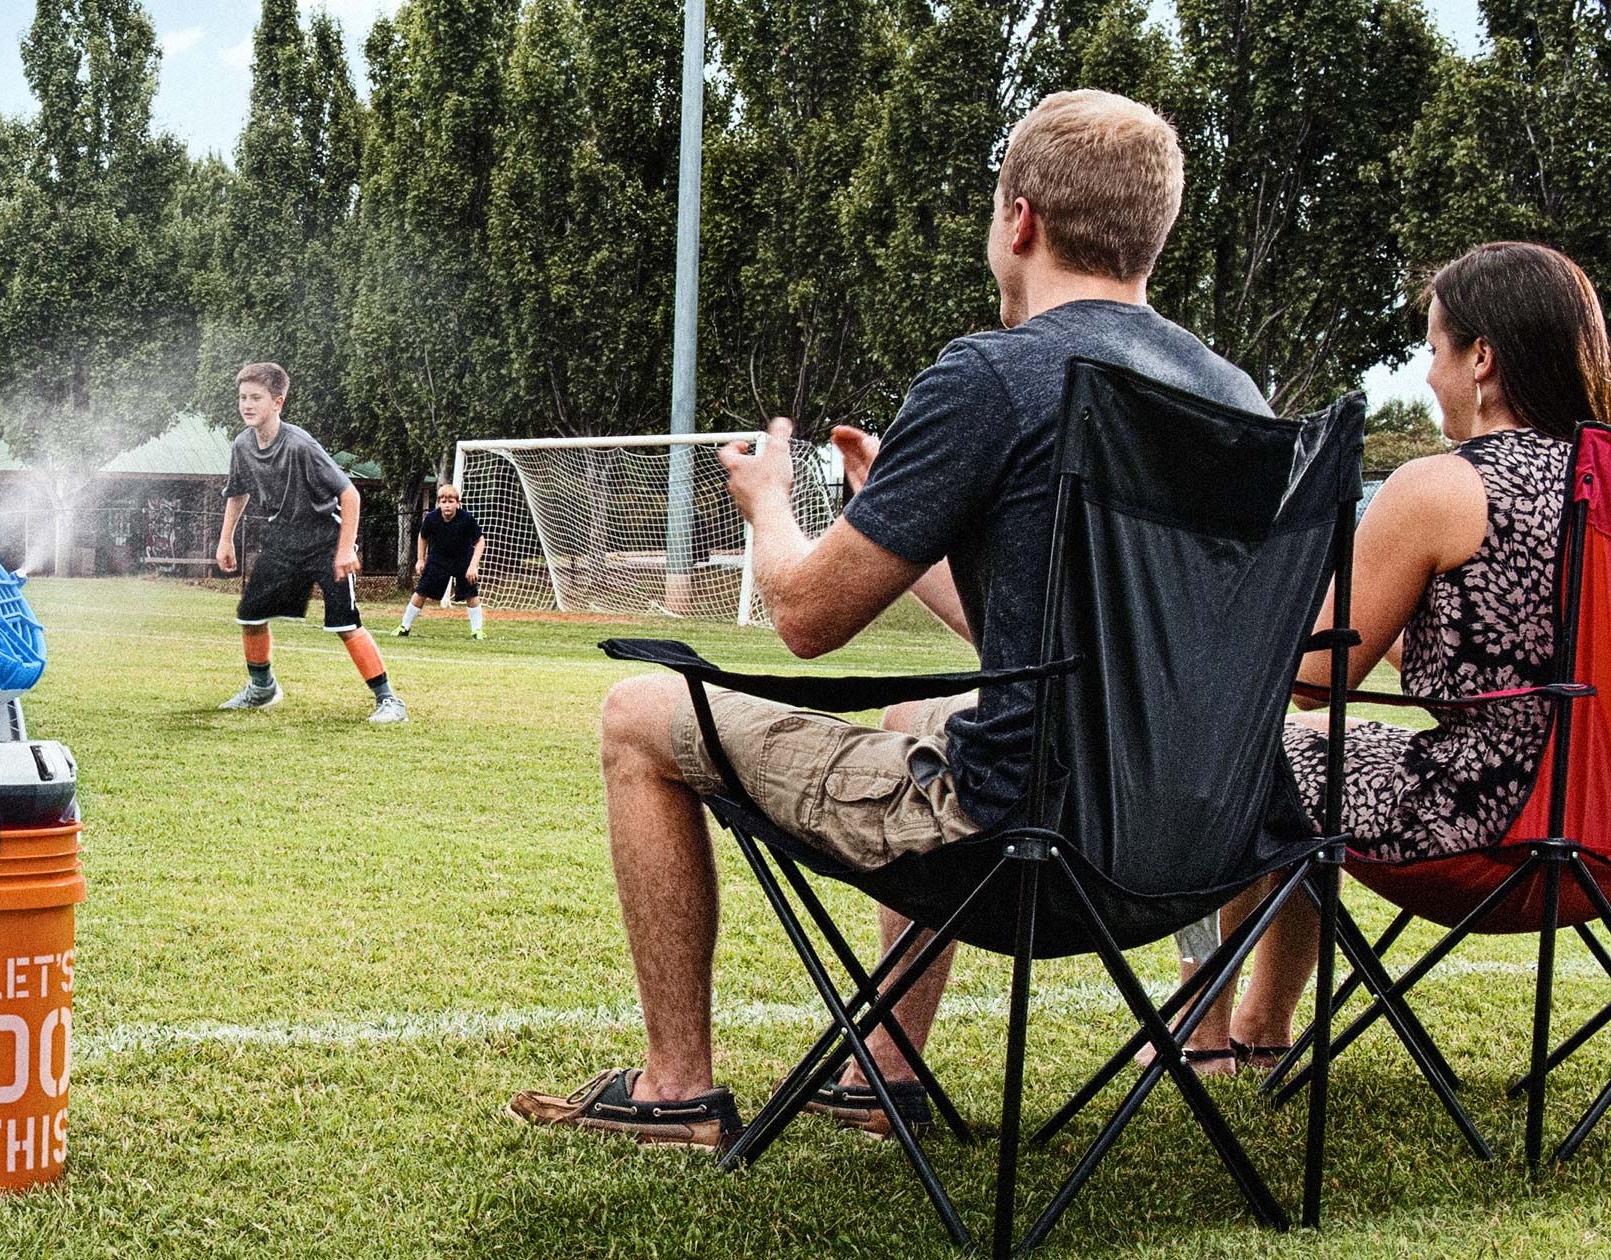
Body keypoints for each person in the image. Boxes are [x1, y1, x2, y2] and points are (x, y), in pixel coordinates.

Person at [506, 90, 1266, 1149]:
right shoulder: (1236, 399)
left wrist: (775, 503)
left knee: (639, 714)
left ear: (1021, 219)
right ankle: (884, 1075)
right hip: (1191, 852)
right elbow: (1054, 642)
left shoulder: (996, 376)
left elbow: (807, 617)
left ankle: (675, 1087)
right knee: (919, 711)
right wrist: (882, 515)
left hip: (1017, 846)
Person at [1169, 241, 1611, 1072]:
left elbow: (1310, 680)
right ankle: (1258, 1027)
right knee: (1322, 757)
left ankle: (1216, 1028)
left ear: (1482, 359)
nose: (1431, 374)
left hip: (1485, 837)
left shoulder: (1441, 487)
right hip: (1600, 841)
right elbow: (1533, 661)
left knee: (1258, 756)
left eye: (1434, 349)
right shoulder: (1603, 487)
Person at [214, 362, 406, 724]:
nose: (247, 404)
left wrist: (345, 549)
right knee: (251, 616)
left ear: (278, 402)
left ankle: (389, 701)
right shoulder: (242, 444)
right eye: (242, 397)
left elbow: (350, 495)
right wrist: (225, 540)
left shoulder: (301, 445)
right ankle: (262, 689)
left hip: (324, 539)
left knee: (345, 625)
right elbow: (237, 492)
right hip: (282, 541)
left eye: (256, 397)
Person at [396, 482, 488, 639]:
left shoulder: (466, 518)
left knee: (471, 594)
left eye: (451, 501)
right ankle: (404, 626)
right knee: (421, 591)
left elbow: (480, 541)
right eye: (443, 502)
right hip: (438, 559)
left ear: (458, 503)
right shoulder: (431, 518)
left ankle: (477, 630)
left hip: (463, 559)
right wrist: (420, 559)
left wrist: (473, 566)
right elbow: (422, 537)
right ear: (438, 503)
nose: (447, 505)